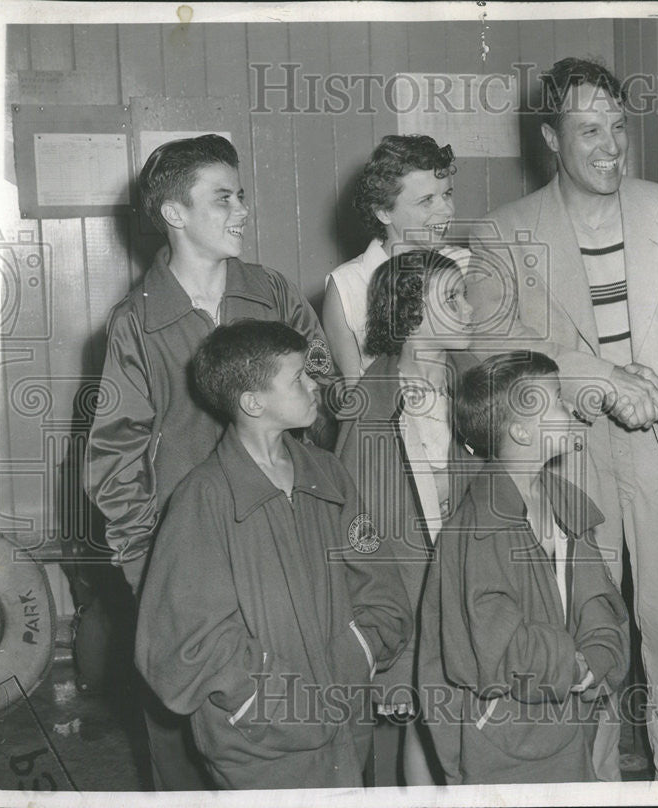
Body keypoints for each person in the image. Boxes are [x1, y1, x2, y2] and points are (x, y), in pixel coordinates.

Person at [467, 57, 658, 780]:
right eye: (588, 129)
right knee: (589, 634)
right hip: (569, 454)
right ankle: (594, 785)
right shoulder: (503, 234)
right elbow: (498, 348)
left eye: (617, 126)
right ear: (550, 137)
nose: (611, 146)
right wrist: (606, 380)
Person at [84, 134, 333, 789]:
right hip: (188, 566)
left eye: (241, 194)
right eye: (223, 198)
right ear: (175, 213)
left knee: (298, 734)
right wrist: (152, 583)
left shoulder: (273, 294)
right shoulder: (136, 324)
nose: (242, 209)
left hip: (284, 555)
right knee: (187, 751)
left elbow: (330, 401)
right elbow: (114, 467)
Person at [134, 320, 412, 789]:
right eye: (299, 377)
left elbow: (380, 585)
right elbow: (185, 646)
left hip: (346, 728)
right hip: (259, 750)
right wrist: (276, 703)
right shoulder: (204, 499)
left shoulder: (329, 475)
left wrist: (352, 659)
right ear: (253, 402)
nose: (314, 384)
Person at [419, 351, 630, 784]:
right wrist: (571, 667)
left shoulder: (566, 504)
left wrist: (598, 657)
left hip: (566, 724)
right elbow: (498, 643)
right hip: (501, 739)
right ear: (518, 429)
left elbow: (597, 598)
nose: (569, 408)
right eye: (553, 400)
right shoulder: (478, 529)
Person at [333, 248, 479, 784]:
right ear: (411, 315)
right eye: (453, 298)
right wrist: (392, 658)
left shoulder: (478, 386)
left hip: (477, 595)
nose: (469, 308)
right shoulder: (371, 407)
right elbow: (361, 545)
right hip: (412, 607)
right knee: (425, 723)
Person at [324, 134, 463, 383]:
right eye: (427, 201)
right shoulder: (347, 286)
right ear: (384, 212)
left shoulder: (463, 266)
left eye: (447, 194)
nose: (447, 210)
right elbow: (355, 392)